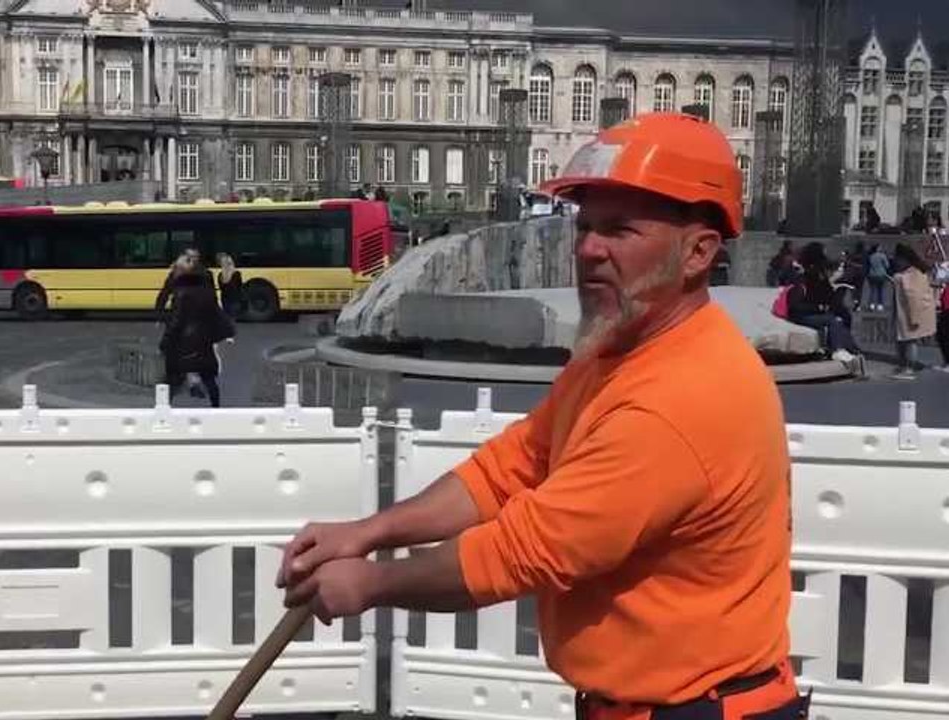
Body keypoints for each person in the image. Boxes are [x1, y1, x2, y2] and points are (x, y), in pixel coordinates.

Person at [276, 112, 810, 720]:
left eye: (621, 230)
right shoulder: (619, 351)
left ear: (698, 252)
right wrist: (369, 532)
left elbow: (524, 550)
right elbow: (512, 466)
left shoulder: (683, 398)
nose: (588, 249)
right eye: (585, 227)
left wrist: (370, 584)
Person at [159, 255, 234, 407]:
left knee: (173, 379)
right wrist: (226, 332)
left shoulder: (182, 296)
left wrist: (165, 343)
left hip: (184, 342)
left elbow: (176, 322)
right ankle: (216, 408)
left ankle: (164, 410)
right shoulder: (205, 293)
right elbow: (217, 312)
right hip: (203, 341)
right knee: (208, 377)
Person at [784, 242, 864, 368]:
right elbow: (795, 306)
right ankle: (838, 350)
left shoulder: (817, 275)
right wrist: (819, 307)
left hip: (813, 312)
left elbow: (827, 296)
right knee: (834, 321)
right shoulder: (803, 278)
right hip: (801, 315)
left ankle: (850, 349)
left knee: (842, 318)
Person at [891, 243, 937, 380]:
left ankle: (909, 368)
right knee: (904, 341)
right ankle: (904, 365)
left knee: (910, 341)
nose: (895, 261)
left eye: (897, 258)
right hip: (904, 313)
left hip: (909, 314)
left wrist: (914, 317)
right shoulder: (914, 271)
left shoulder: (911, 274)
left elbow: (914, 298)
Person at [216, 252, 245, 320]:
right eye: (227, 263)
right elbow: (223, 286)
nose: (230, 265)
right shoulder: (221, 275)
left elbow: (238, 287)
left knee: (231, 319)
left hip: (234, 301)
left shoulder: (237, 274)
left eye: (230, 263)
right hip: (227, 301)